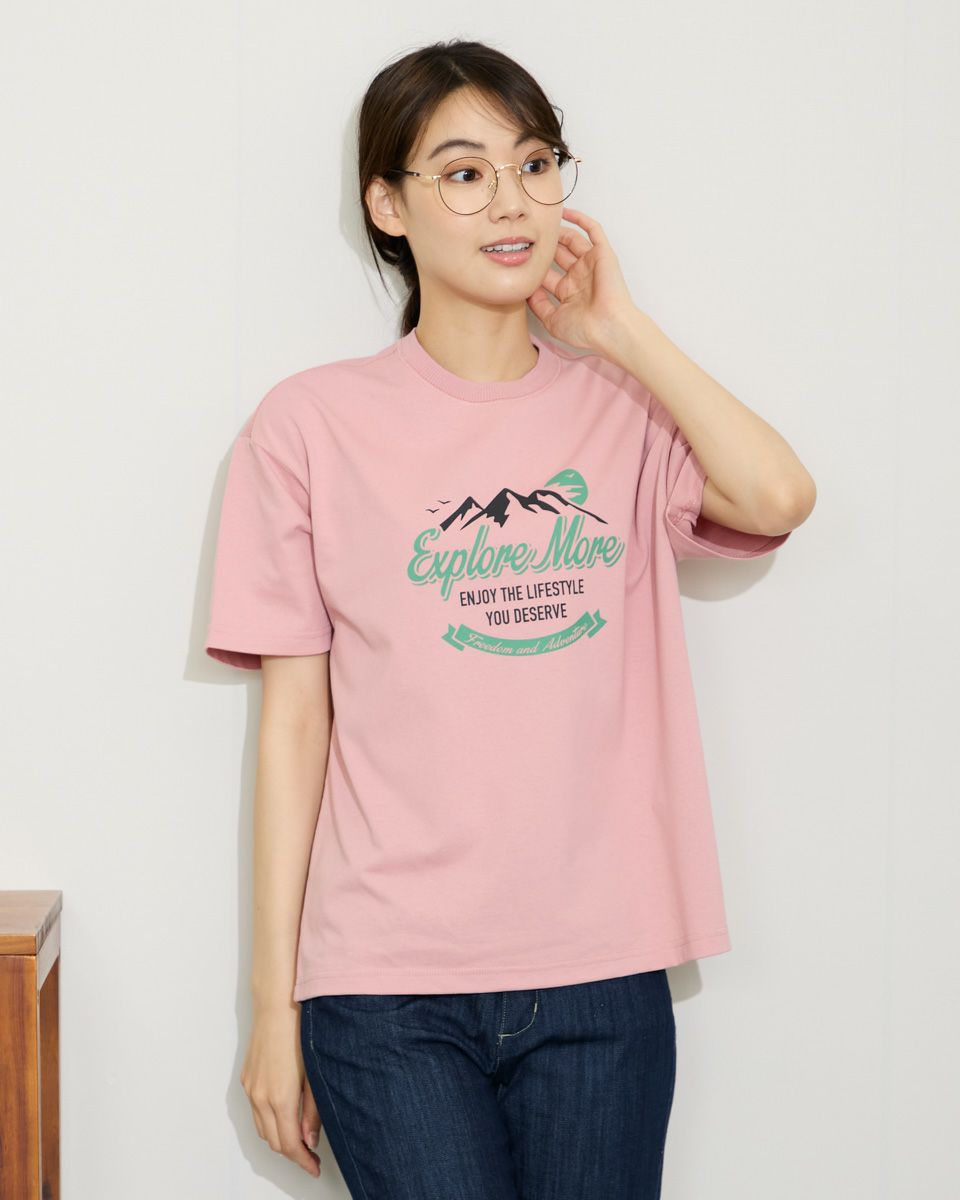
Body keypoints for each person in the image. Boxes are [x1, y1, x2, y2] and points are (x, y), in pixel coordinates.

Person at [204, 37, 816, 1200]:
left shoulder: (622, 411)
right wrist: (272, 1010)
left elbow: (778, 497)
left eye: (536, 165)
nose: (512, 201)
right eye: (465, 172)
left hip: (602, 972)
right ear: (388, 206)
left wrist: (618, 330)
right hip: (385, 987)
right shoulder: (309, 428)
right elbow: (293, 729)